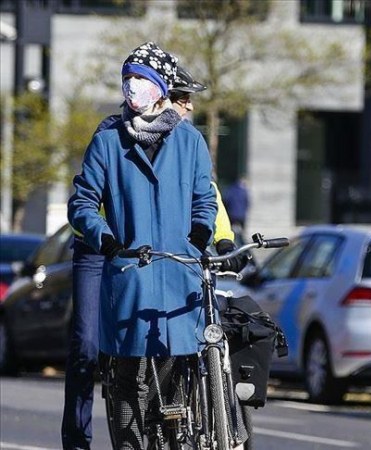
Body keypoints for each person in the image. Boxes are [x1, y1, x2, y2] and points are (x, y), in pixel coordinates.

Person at [61, 62, 246, 450]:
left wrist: (216, 240)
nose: (188, 106)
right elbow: (84, 204)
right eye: (183, 98)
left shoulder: (189, 141)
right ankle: (80, 441)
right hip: (116, 257)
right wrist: (106, 239)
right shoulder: (109, 138)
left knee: (173, 360)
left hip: (173, 264)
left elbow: (206, 198)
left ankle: (169, 432)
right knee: (88, 348)